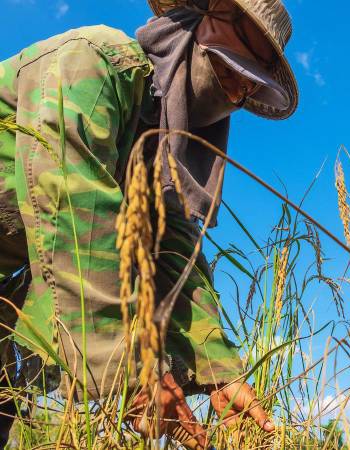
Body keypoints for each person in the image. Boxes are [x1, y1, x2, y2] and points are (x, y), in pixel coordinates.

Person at [0, 0, 298, 448]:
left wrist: (219, 372)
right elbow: (72, 209)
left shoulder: (160, 149)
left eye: (248, 85)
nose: (236, 88)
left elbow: (172, 249)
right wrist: (134, 370)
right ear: (196, 21)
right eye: (231, 63)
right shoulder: (95, 63)